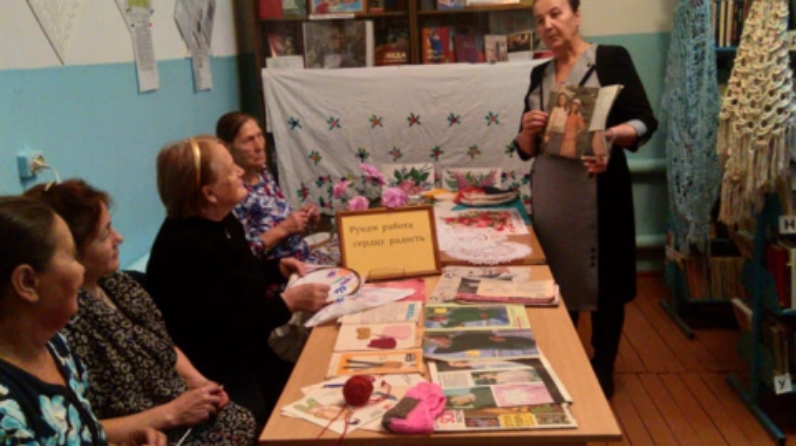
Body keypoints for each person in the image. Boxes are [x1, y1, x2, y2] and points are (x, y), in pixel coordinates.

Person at [26, 179, 258, 445]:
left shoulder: (120, 284)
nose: (119, 238)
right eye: (104, 235)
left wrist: (202, 384)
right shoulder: (63, 325)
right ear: (72, 252)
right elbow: (83, 431)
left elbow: (163, 346)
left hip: (184, 411)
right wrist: (173, 413)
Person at [513, 0, 658, 398]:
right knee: (558, 278)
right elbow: (525, 149)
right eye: (540, 20)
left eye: (555, 13)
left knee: (605, 283)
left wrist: (609, 136)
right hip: (552, 196)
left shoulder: (610, 59)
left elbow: (645, 121)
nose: (548, 24)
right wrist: (526, 130)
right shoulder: (540, 74)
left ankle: (603, 364)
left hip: (600, 190)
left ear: (577, 16)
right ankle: (564, 357)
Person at [146, 135, 330, 429]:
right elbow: (231, 328)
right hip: (221, 369)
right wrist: (289, 302)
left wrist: (275, 269)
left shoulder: (223, 221)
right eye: (231, 169)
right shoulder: (185, 247)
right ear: (209, 193)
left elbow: (239, 278)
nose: (240, 172)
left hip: (251, 352)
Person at [0, 196, 165, 445]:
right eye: (71, 257)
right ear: (27, 282)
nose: (81, 270)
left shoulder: (54, 345)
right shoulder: (6, 412)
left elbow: (80, 433)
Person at [215, 112, 330, 265]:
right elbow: (242, 255)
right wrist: (284, 228)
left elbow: (279, 223)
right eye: (249, 140)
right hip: (279, 271)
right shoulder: (232, 192)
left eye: (259, 136)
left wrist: (303, 219)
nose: (259, 146)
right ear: (227, 148)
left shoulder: (263, 175)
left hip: (303, 257)